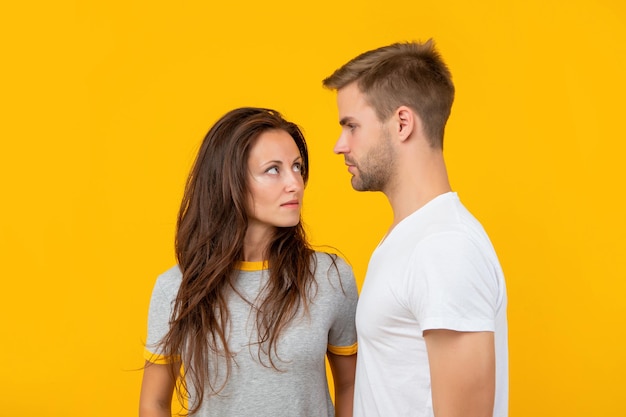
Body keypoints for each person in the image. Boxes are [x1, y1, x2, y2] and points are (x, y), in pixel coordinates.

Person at [322, 40, 509, 417]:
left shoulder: (444, 248)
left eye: (352, 126)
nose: (339, 145)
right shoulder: (412, 238)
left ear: (402, 123)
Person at [139, 107, 358, 417]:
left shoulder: (330, 278)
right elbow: (154, 402)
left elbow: (350, 384)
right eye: (273, 169)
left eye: (297, 167)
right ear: (230, 181)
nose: (295, 183)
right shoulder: (176, 288)